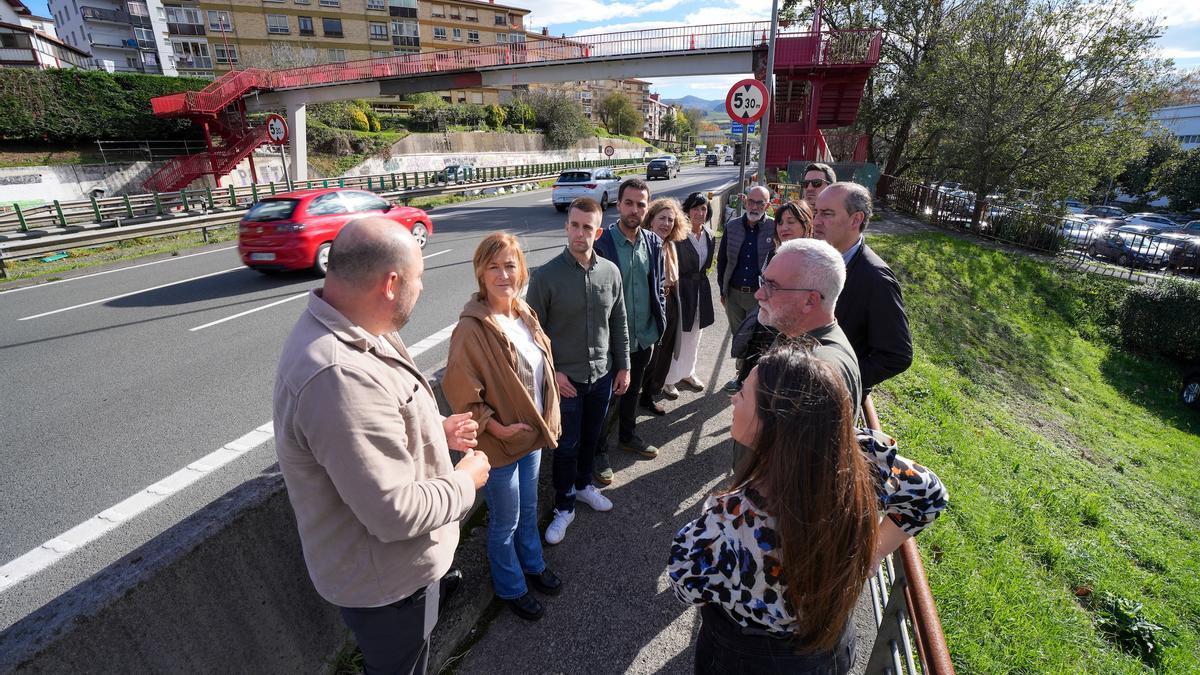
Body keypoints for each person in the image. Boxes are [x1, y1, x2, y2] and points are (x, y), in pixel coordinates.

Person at [273, 217, 489, 675]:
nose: (423, 288)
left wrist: (435, 431)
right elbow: (393, 513)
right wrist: (465, 482)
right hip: (388, 586)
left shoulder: (360, 325)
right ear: (391, 283)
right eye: (420, 278)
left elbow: (385, 423)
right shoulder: (337, 375)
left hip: (394, 573)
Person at [668, 342, 947, 674]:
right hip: (830, 649)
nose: (733, 398)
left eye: (742, 394)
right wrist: (869, 554)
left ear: (772, 425)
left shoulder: (724, 525)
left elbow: (685, 587)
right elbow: (930, 495)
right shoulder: (862, 460)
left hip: (747, 659)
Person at [442, 233, 563, 622]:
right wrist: (496, 428)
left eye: (510, 265)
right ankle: (510, 586)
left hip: (532, 437)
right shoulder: (471, 328)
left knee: (528, 511)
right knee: (505, 520)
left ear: (521, 270)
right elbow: (460, 392)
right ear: (480, 272)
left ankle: (532, 564)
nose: (503, 274)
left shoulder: (523, 313)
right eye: (493, 266)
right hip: (499, 445)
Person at [527, 196, 630, 543]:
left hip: (601, 375)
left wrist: (623, 366)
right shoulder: (545, 276)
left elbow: (618, 320)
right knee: (565, 445)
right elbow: (531, 333)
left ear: (598, 231)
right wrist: (552, 372)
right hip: (564, 380)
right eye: (574, 225)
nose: (580, 233)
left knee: (591, 438)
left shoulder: (610, 272)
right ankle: (564, 505)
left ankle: (585, 486)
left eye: (588, 227)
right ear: (566, 226)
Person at [594, 178, 666, 472]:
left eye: (641, 204)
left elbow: (658, 283)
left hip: (643, 334)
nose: (634, 209)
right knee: (606, 397)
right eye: (629, 203)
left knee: (633, 389)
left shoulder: (653, 242)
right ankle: (598, 452)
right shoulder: (602, 245)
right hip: (611, 340)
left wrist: (659, 318)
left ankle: (627, 435)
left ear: (646, 208)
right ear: (618, 204)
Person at [813, 182, 913, 393]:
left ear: (856, 219)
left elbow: (897, 355)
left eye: (827, 214)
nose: (816, 221)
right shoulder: (818, 257)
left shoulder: (876, 279)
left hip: (829, 403)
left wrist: (837, 381)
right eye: (816, 212)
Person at [755, 238, 862, 422]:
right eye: (763, 282)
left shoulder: (813, 374)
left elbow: (785, 449)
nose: (758, 294)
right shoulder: (800, 337)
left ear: (810, 301)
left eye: (772, 286)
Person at [729, 200, 815, 390]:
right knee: (755, 366)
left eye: (791, 222)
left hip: (791, 331)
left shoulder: (812, 259)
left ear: (806, 224)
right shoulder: (774, 253)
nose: (784, 227)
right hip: (766, 320)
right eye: (780, 222)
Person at [716, 184, 776, 393]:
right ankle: (740, 375)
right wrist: (723, 291)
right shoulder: (732, 226)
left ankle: (752, 380)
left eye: (761, 202)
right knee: (738, 337)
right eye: (751, 201)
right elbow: (722, 260)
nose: (755, 206)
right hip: (733, 294)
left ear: (768, 205)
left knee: (756, 339)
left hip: (758, 297)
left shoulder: (774, 227)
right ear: (745, 201)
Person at [664, 191, 717, 397]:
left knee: (695, 334)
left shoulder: (710, 235)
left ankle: (688, 372)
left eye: (703, 208)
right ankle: (669, 379)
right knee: (678, 335)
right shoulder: (678, 235)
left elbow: (706, 265)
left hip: (701, 289)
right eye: (695, 208)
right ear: (687, 211)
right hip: (682, 289)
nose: (699, 212)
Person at [641, 197, 689, 408]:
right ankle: (637, 394)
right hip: (651, 303)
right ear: (650, 220)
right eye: (661, 218)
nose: (666, 224)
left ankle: (651, 393)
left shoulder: (669, 245)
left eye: (670, 220)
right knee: (650, 353)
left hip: (670, 300)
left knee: (665, 351)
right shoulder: (643, 244)